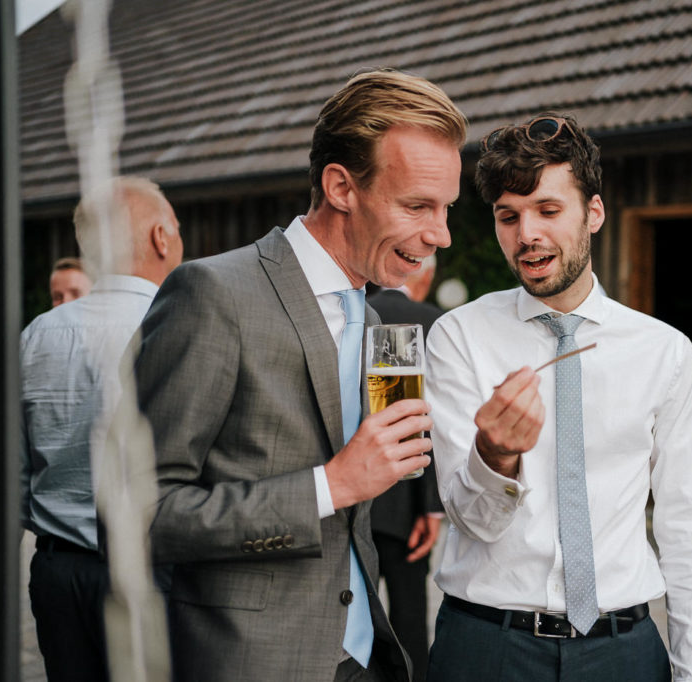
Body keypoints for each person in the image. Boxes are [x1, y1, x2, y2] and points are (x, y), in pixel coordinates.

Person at [135, 70, 466, 682]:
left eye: (445, 209)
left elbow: (381, 476)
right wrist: (329, 486)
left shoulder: (374, 321)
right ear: (341, 186)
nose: (440, 234)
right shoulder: (212, 294)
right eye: (418, 205)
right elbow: (137, 514)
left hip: (364, 656)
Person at [424, 114, 692, 681]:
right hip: (488, 647)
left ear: (594, 213)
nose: (526, 234)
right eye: (507, 217)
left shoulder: (664, 352)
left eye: (548, 210)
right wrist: (495, 456)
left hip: (622, 648)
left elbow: (691, 528)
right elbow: (471, 518)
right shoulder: (459, 336)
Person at [20, 176, 183, 682]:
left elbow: (13, 467)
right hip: (152, 574)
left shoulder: (37, 334)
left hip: (57, 571)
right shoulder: (178, 323)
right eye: (176, 230)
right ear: (161, 237)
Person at [368, 255, 445, 682]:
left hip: (353, 498)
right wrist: (430, 506)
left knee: (355, 620)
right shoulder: (426, 321)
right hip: (406, 503)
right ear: (427, 276)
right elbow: (419, 420)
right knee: (410, 619)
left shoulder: (359, 313)